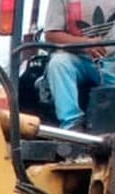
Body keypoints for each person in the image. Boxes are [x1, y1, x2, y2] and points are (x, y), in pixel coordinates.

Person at [43, 1, 115, 130]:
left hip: (111, 61)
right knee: (58, 63)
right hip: (77, 59)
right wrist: (85, 43)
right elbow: (52, 34)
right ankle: (72, 125)